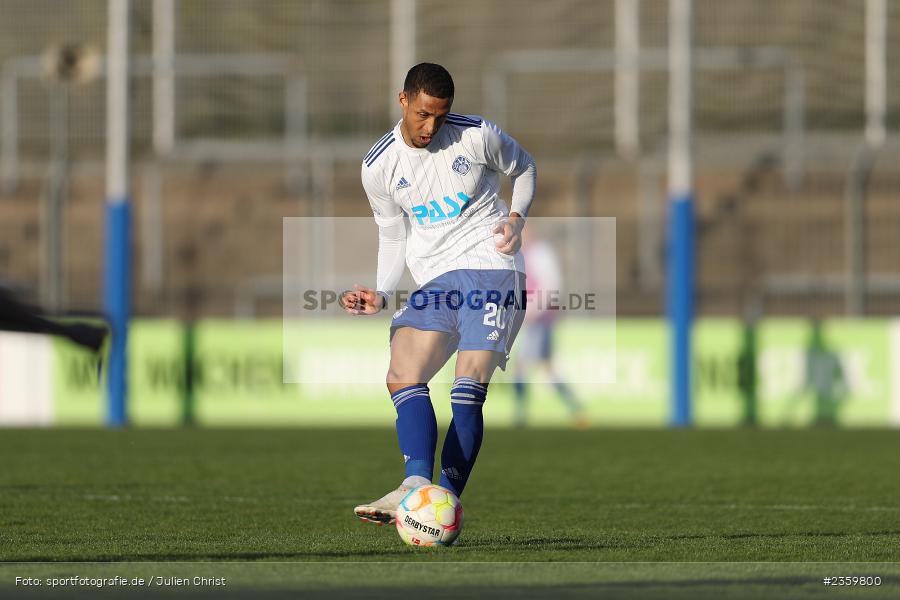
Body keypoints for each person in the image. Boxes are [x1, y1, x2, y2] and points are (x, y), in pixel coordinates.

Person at [341, 63, 536, 524]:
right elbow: (393, 235)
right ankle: (415, 485)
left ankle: (441, 504)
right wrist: (383, 292)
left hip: (492, 269)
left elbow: (524, 166)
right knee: (401, 374)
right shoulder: (379, 166)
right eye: (423, 115)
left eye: (441, 116)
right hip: (437, 281)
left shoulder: (476, 135)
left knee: (466, 389)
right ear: (403, 100)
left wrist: (516, 217)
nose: (431, 127)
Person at [511, 231, 587, 428]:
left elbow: (551, 286)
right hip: (533, 319)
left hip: (538, 320)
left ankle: (520, 416)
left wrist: (532, 312)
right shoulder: (524, 254)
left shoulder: (540, 253)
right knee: (545, 367)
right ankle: (576, 410)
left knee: (524, 365)